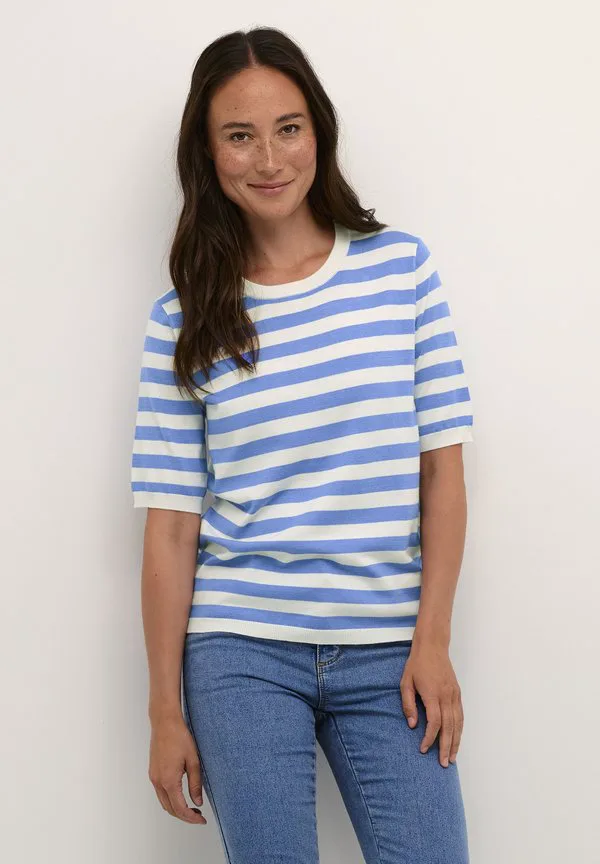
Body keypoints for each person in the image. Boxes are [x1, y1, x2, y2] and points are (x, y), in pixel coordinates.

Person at [130, 25, 474, 864]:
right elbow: (171, 529)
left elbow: (441, 472)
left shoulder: (401, 271)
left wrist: (432, 639)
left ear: (318, 129)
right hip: (239, 652)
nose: (269, 159)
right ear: (207, 154)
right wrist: (165, 712)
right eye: (239, 136)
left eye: (288, 128)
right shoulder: (184, 320)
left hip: (389, 650)